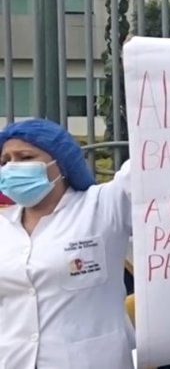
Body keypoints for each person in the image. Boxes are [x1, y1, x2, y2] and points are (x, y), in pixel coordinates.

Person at [0, 119, 134, 369]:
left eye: (25, 156)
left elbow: (154, 164)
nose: (12, 167)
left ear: (60, 163)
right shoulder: (3, 226)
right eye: (5, 161)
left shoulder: (102, 206)